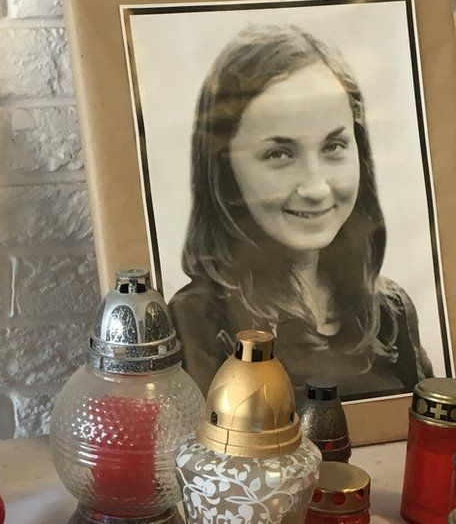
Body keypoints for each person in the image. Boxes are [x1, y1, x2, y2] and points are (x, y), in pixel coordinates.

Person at [169, 24, 433, 398]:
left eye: (334, 146)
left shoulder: (389, 309)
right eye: (280, 154)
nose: (316, 187)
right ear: (225, 170)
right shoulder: (195, 321)